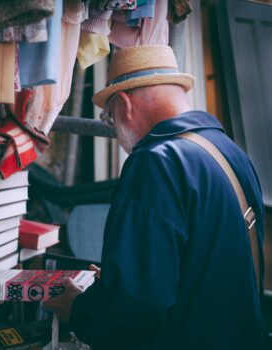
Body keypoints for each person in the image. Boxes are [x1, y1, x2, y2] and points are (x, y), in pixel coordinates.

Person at [44, 45, 265, 349]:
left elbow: (136, 305)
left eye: (109, 118)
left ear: (125, 104)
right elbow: (205, 265)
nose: (115, 128)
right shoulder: (229, 151)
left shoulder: (156, 162)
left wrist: (77, 309)